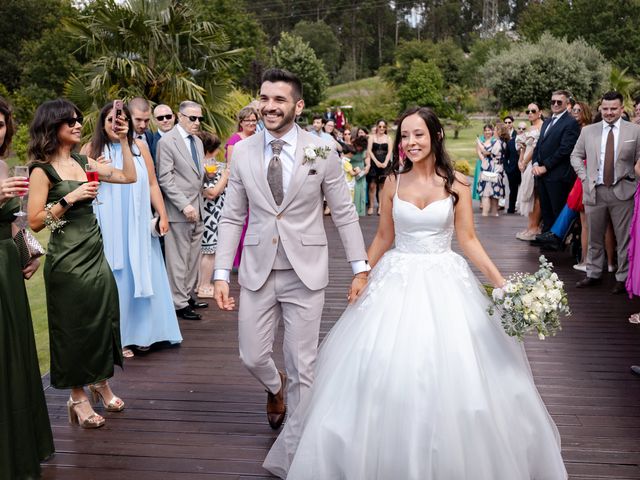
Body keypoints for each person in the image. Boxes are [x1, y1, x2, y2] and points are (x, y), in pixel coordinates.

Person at [263, 106, 567, 479]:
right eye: (404, 136)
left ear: (435, 136)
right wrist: (362, 273)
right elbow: (384, 236)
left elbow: (468, 240)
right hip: (396, 275)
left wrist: (502, 284)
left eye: (418, 134)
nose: (410, 142)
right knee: (378, 368)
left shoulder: (455, 182)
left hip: (445, 278)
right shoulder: (394, 181)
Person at [213, 68, 368, 430]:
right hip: (257, 270)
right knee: (252, 355)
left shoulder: (323, 149)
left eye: (279, 99)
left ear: (297, 106)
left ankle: (296, 450)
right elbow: (233, 216)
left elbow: (344, 212)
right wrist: (221, 273)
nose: (269, 106)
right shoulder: (242, 153)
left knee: (303, 364)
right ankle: (275, 384)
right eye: (264, 98)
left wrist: (360, 266)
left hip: (306, 269)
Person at [27, 98, 137, 428]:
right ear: (52, 126)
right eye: (69, 121)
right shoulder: (40, 170)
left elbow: (129, 177)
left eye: (78, 119)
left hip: (93, 252)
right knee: (74, 326)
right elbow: (34, 221)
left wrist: (123, 141)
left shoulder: (83, 161)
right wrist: (70, 198)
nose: (77, 124)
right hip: (67, 258)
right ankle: (77, 396)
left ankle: (100, 381)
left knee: (102, 316)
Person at [81, 102, 182, 357]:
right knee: (114, 275)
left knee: (143, 268)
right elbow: (79, 187)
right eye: (111, 120)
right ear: (103, 123)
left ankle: (145, 333)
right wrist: (91, 168)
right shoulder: (90, 149)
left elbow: (151, 183)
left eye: (122, 120)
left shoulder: (139, 147)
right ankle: (120, 338)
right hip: (108, 220)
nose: (117, 124)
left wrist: (162, 213)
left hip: (136, 220)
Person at [0, 96, 54, 479]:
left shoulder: (2, 165)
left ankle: (18, 445)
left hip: (7, 270)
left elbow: (14, 221)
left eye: (1, 124)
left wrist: (29, 251)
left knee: (15, 357)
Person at [572, 91, 640, 295]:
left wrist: (634, 180)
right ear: (600, 108)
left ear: (621, 109)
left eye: (613, 108)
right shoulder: (588, 131)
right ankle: (593, 273)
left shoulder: (634, 131)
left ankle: (622, 277)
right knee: (594, 235)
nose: (609, 112)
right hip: (595, 191)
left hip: (623, 191)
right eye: (605, 108)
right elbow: (575, 155)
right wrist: (585, 178)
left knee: (624, 238)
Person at [157, 100, 208, 320]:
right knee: (178, 258)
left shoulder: (197, 141)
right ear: (180, 116)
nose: (197, 122)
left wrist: (208, 176)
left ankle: (187, 296)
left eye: (200, 118)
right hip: (179, 210)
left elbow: (196, 173)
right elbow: (165, 179)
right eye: (192, 118)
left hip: (199, 207)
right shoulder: (167, 142)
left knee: (193, 257)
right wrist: (184, 204)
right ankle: (178, 303)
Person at [532, 90, 580, 232]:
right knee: (545, 210)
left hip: (557, 176)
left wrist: (545, 167)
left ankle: (557, 242)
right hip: (541, 175)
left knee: (556, 210)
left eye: (559, 102)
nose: (556, 104)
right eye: (553, 101)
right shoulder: (547, 122)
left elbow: (565, 150)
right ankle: (546, 237)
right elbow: (539, 145)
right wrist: (535, 163)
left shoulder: (571, 123)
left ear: (567, 103)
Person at [224, 106, 259, 270]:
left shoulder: (259, 138)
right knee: (241, 223)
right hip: (240, 187)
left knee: (255, 224)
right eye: (248, 120)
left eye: (254, 120)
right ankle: (238, 262)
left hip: (257, 188)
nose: (251, 123)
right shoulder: (234, 140)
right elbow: (230, 167)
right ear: (241, 122)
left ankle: (253, 260)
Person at [196, 132, 228, 298]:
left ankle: (199, 284)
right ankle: (204, 285)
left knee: (204, 251)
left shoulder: (201, 165)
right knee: (210, 252)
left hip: (211, 213)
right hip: (211, 215)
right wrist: (225, 176)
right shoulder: (207, 167)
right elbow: (211, 192)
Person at [516, 103, 544, 240]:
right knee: (528, 194)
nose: (530, 113)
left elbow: (535, 148)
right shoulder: (530, 128)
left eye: (533, 111)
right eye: (528, 111)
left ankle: (534, 227)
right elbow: (522, 146)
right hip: (525, 164)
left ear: (540, 112)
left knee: (535, 194)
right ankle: (529, 226)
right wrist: (520, 161)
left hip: (534, 163)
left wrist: (525, 162)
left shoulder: (542, 127)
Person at [476, 122, 507, 216]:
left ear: (499, 131)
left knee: (486, 193)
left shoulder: (497, 142)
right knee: (495, 193)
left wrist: (478, 143)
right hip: (497, 168)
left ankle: (485, 214)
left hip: (491, 169)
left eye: (495, 129)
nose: (493, 131)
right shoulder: (502, 142)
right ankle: (494, 213)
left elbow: (486, 151)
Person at [366, 119, 393, 215]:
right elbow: (369, 150)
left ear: (386, 128)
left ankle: (380, 207)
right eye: (380, 126)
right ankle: (371, 206)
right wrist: (376, 162)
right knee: (372, 185)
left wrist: (385, 162)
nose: (381, 128)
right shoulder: (371, 137)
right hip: (374, 164)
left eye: (384, 127)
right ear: (377, 126)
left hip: (385, 164)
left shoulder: (388, 138)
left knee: (382, 186)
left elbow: (389, 152)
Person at [503, 115, 521, 213]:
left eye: (523, 129)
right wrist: (507, 169)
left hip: (524, 169)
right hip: (512, 169)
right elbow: (505, 157)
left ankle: (523, 208)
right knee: (512, 190)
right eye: (520, 128)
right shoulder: (510, 142)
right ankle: (511, 208)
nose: (507, 124)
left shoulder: (527, 140)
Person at [472, 124, 495, 203]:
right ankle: (481, 201)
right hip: (481, 162)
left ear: (492, 131)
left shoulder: (494, 139)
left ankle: (490, 200)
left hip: (491, 163)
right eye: (485, 130)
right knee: (481, 181)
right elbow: (478, 151)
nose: (487, 132)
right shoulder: (480, 139)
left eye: (489, 130)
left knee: (490, 182)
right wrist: (483, 160)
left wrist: (488, 162)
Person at [350, 136, 369, 216]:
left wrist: (360, 174)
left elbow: (367, 167)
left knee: (360, 192)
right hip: (350, 172)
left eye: (361, 147)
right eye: (358, 146)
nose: (359, 148)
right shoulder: (351, 148)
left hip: (361, 173)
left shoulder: (365, 151)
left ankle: (359, 211)